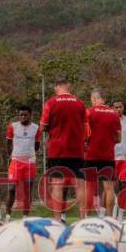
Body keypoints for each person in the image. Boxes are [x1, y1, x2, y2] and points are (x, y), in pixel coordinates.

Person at [40, 79, 87, 222]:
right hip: (77, 149)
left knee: (57, 184)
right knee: (79, 185)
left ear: (57, 87)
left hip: (57, 149)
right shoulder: (80, 103)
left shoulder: (51, 103)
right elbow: (85, 126)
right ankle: (82, 219)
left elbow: (42, 127)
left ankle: (57, 220)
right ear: (69, 87)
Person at [83, 89, 121, 218]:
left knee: (89, 187)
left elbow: (84, 135)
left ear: (94, 99)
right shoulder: (115, 114)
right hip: (108, 156)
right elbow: (118, 139)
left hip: (91, 155)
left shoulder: (88, 112)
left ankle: (87, 217)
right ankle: (110, 217)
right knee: (109, 188)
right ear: (104, 99)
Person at [4, 106, 41, 221]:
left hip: (29, 162)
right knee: (12, 189)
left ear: (30, 115)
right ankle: (7, 216)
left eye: (25, 115)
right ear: (18, 115)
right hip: (15, 161)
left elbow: (37, 146)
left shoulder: (36, 128)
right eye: (21, 115)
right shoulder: (12, 127)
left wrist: (28, 155)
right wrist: (12, 156)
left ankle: (25, 217)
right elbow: (8, 143)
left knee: (27, 190)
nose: (23, 117)